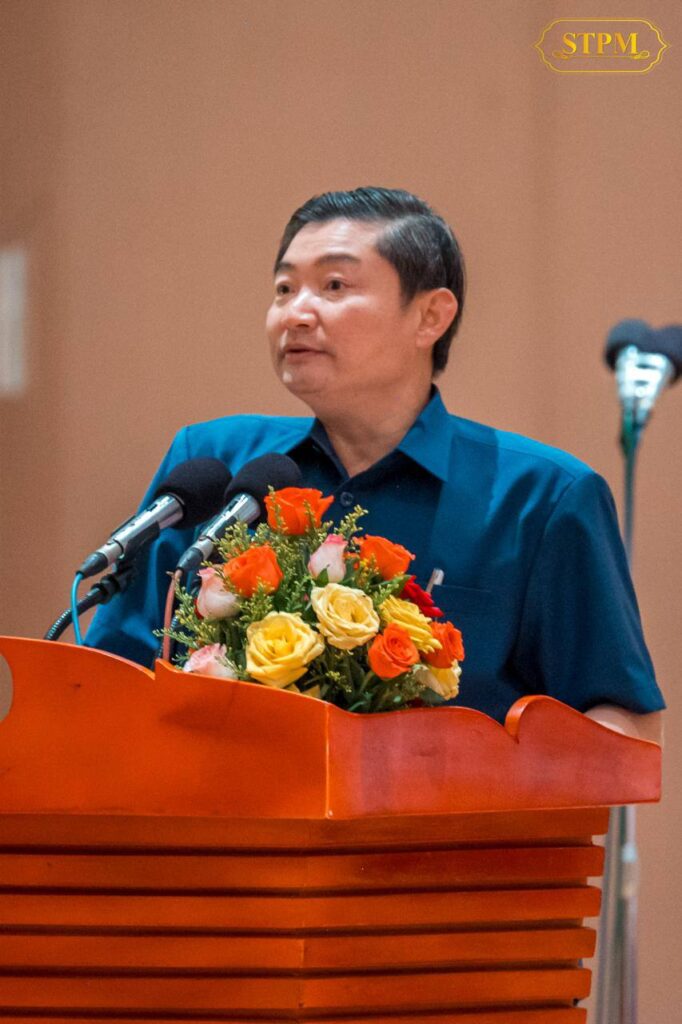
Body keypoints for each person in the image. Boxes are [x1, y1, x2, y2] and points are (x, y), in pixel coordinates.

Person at [86, 186, 664, 740]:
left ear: (430, 316)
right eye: (284, 289)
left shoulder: (541, 498)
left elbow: (625, 724)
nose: (296, 313)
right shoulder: (214, 467)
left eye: (334, 285)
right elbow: (111, 677)